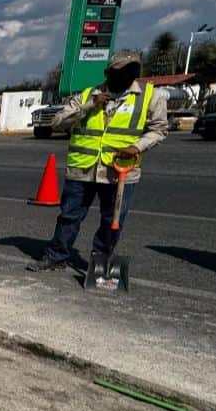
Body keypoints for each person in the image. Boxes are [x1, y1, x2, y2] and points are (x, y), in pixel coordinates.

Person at [27, 50, 168, 272]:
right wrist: (90, 105)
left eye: (131, 71)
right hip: (83, 168)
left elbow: (159, 130)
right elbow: (58, 122)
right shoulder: (87, 96)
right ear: (108, 73)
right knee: (69, 216)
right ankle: (56, 256)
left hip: (118, 172)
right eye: (120, 72)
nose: (126, 76)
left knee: (112, 221)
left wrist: (137, 147)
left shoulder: (151, 97)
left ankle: (99, 263)